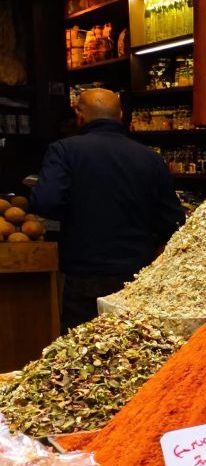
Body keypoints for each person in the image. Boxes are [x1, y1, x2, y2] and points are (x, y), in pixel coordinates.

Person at [29, 88, 184, 331]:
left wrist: (78, 210)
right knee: (133, 349)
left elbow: (45, 202)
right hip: (137, 274)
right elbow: (173, 221)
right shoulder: (150, 158)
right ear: (121, 115)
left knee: (82, 352)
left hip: (85, 272)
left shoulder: (64, 150)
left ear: (79, 115)